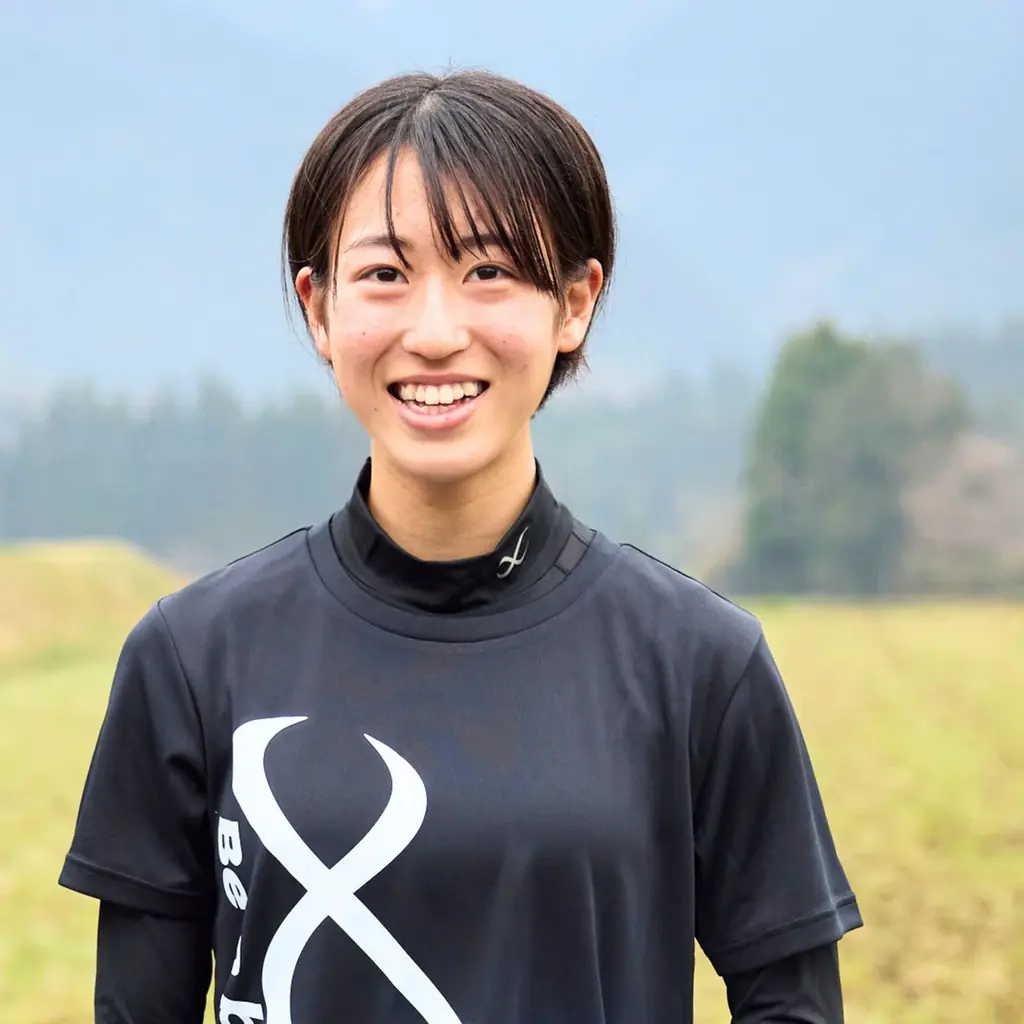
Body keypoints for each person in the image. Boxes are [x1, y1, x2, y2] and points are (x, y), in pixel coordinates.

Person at [59, 70, 862, 1024]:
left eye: (489, 272)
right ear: (319, 309)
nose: (436, 333)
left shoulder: (699, 665)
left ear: (575, 303)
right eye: (385, 275)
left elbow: (793, 1007)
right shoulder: (194, 658)